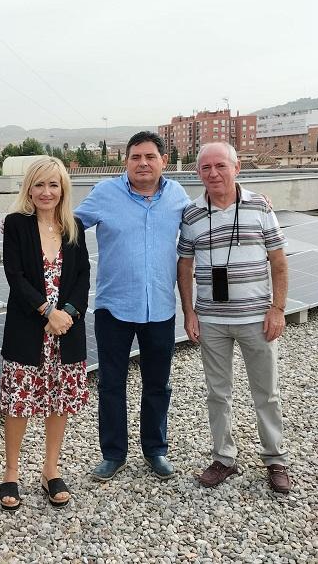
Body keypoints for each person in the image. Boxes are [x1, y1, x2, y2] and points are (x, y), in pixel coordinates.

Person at [75, 131, 190, 481]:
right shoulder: (105, 194)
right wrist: (23, 222)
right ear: (126, 161)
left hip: (160, 307)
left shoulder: (178, 197)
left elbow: (212, 218)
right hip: (114, 308)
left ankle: (155, 450)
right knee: (112, 383)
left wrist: (251, 201)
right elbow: (66, 226)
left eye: (150, 157)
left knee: (159, 384)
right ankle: (113, 454)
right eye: (136, 157)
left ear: (163, 161)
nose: (143, 163)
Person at [177, 141, 291, 493]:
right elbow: (184, 265)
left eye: (220, 166)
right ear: (198, 173)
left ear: (236, 167)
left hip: (258, 318)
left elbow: (279, 261)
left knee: (266, 392)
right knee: (217, 393)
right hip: (211, 320)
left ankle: (275, 459)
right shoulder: (192, 214)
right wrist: (189, 312)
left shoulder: (259, 206)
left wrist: (278, 309)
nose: (213, 173)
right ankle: (224, 458)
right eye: (206, 168)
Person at [0, 157, 90, 511]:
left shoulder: (74, 227)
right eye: (39, 185)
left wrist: (66, 314)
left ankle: (50, 470)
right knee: (19, 404)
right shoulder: (16, 224)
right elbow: (15, 275)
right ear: (29, 188)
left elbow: (82, 277)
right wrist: (47, 312)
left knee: (59, 403)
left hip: (66, 332)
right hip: (29, 328)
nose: (46, 192)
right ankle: (11, 472)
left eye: (53, 185)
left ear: (63, 188)